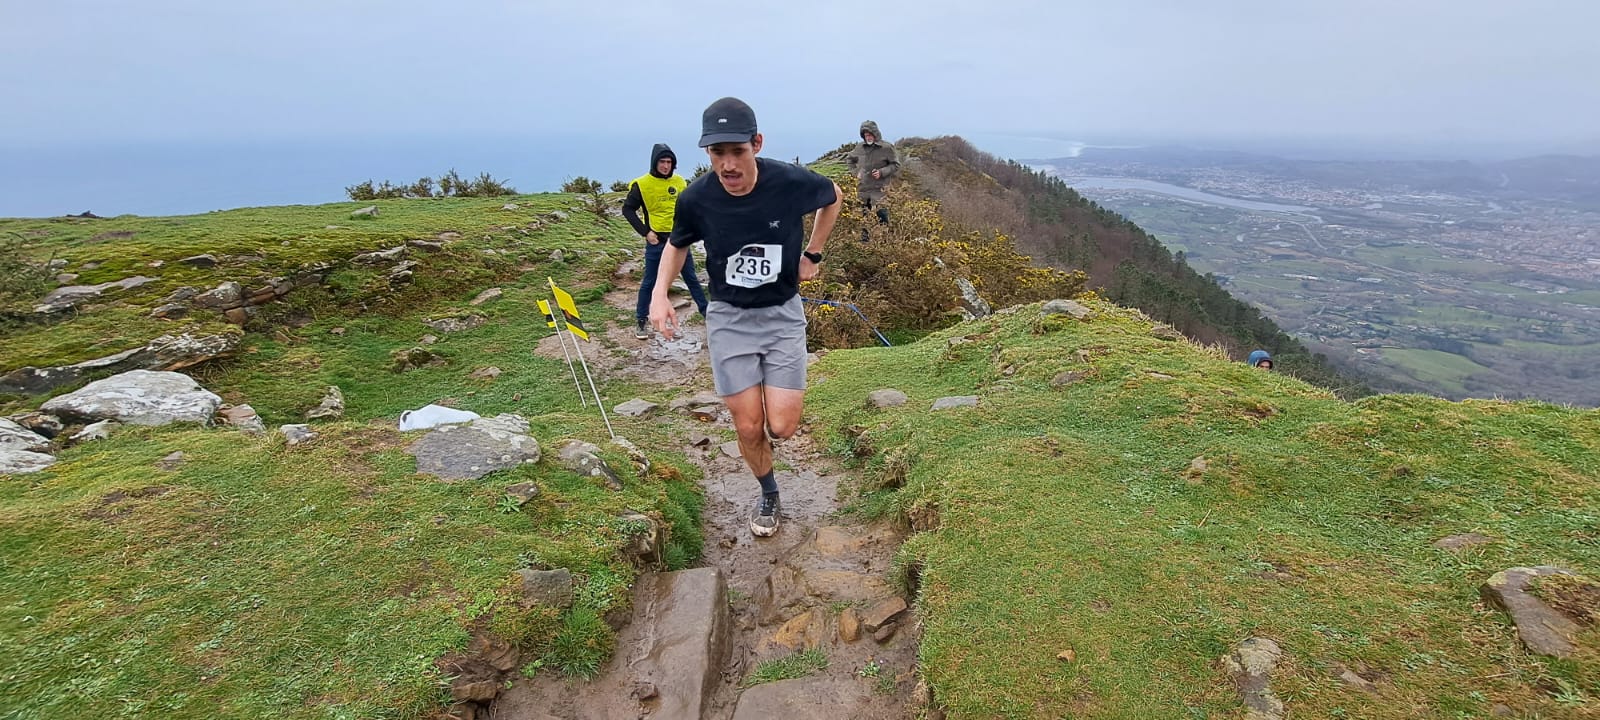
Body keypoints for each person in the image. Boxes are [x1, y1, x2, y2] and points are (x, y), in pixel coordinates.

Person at [649, 97, 843, 537]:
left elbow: (833, 198)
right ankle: (768, 492)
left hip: (781, 315)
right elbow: (677, 244)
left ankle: (769, 411)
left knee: (783, 426)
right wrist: (660, 294)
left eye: (737, 150)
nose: (728, 164)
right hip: (729, 319)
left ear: (756, 143)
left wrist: (812, 253)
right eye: (718, 154)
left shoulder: (790, 182)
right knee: (749, 425)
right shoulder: (696, 198)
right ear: (707, 154)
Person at [622, 143, 709, 339]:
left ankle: (707, 314)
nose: (666, 166)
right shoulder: (641, 184)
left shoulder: (679, 182)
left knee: (691, 278)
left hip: (679, 240)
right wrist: (645, 232)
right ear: (655, 163)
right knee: (650, 282)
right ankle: (641, 320)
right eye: (662, 161)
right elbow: (628, 209)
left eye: (669, 162)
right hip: (657, 241)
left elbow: (689, 207)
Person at [845, 120, 899, 240]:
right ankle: (865, 241)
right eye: (865, 135)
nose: (867, 137)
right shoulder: (859, 147)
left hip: (880, 187)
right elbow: (849, 159)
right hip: (863, 188)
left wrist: (881, 172)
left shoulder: (887, 148)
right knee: (863, 214)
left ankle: (887, 241)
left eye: (869, 134)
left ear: (875, 133)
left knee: (882, 214)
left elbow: (895, 165)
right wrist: (855, 173)